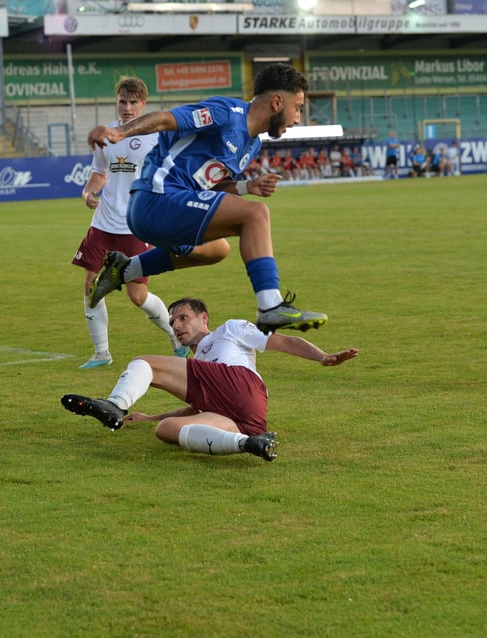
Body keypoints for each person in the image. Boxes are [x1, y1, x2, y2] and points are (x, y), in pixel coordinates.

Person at [85, 63, 326, 334]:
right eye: (298, 108)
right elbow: (166, 119)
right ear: (277, 102)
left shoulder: (253, 143)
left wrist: (247, 186)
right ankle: (270, 307)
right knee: (256, 215)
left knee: (218, 250)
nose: (297, 118)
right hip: (156, 199)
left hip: (172, 208)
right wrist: (121, 131)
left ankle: (125, 270)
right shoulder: (227, 113)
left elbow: (210, 186)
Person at [62, 297, 359, 462]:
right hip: (245, 418)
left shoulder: (228, 330)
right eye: (172, 322)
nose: (176, 326)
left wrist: (322, 356)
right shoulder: (198, 367)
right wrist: (152, 417)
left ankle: (115, 404)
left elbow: (282, 342)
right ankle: (249, 444)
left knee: (145, 363)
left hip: (241, 383)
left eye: (183, 318)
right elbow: (196, 408)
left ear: (204, 317)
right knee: (167, 430)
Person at [72, 76, 188, 369]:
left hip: (135, 225)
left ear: (143, 104)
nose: (127, 107)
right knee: (90, 284)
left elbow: (171, 176)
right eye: (122, 101)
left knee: (138, 296)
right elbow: (100, 172)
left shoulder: (157, 137)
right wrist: (89, 190)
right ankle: (101, 353)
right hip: (103, 223)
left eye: (133, 102)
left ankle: (175, 338)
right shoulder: (106, 136)